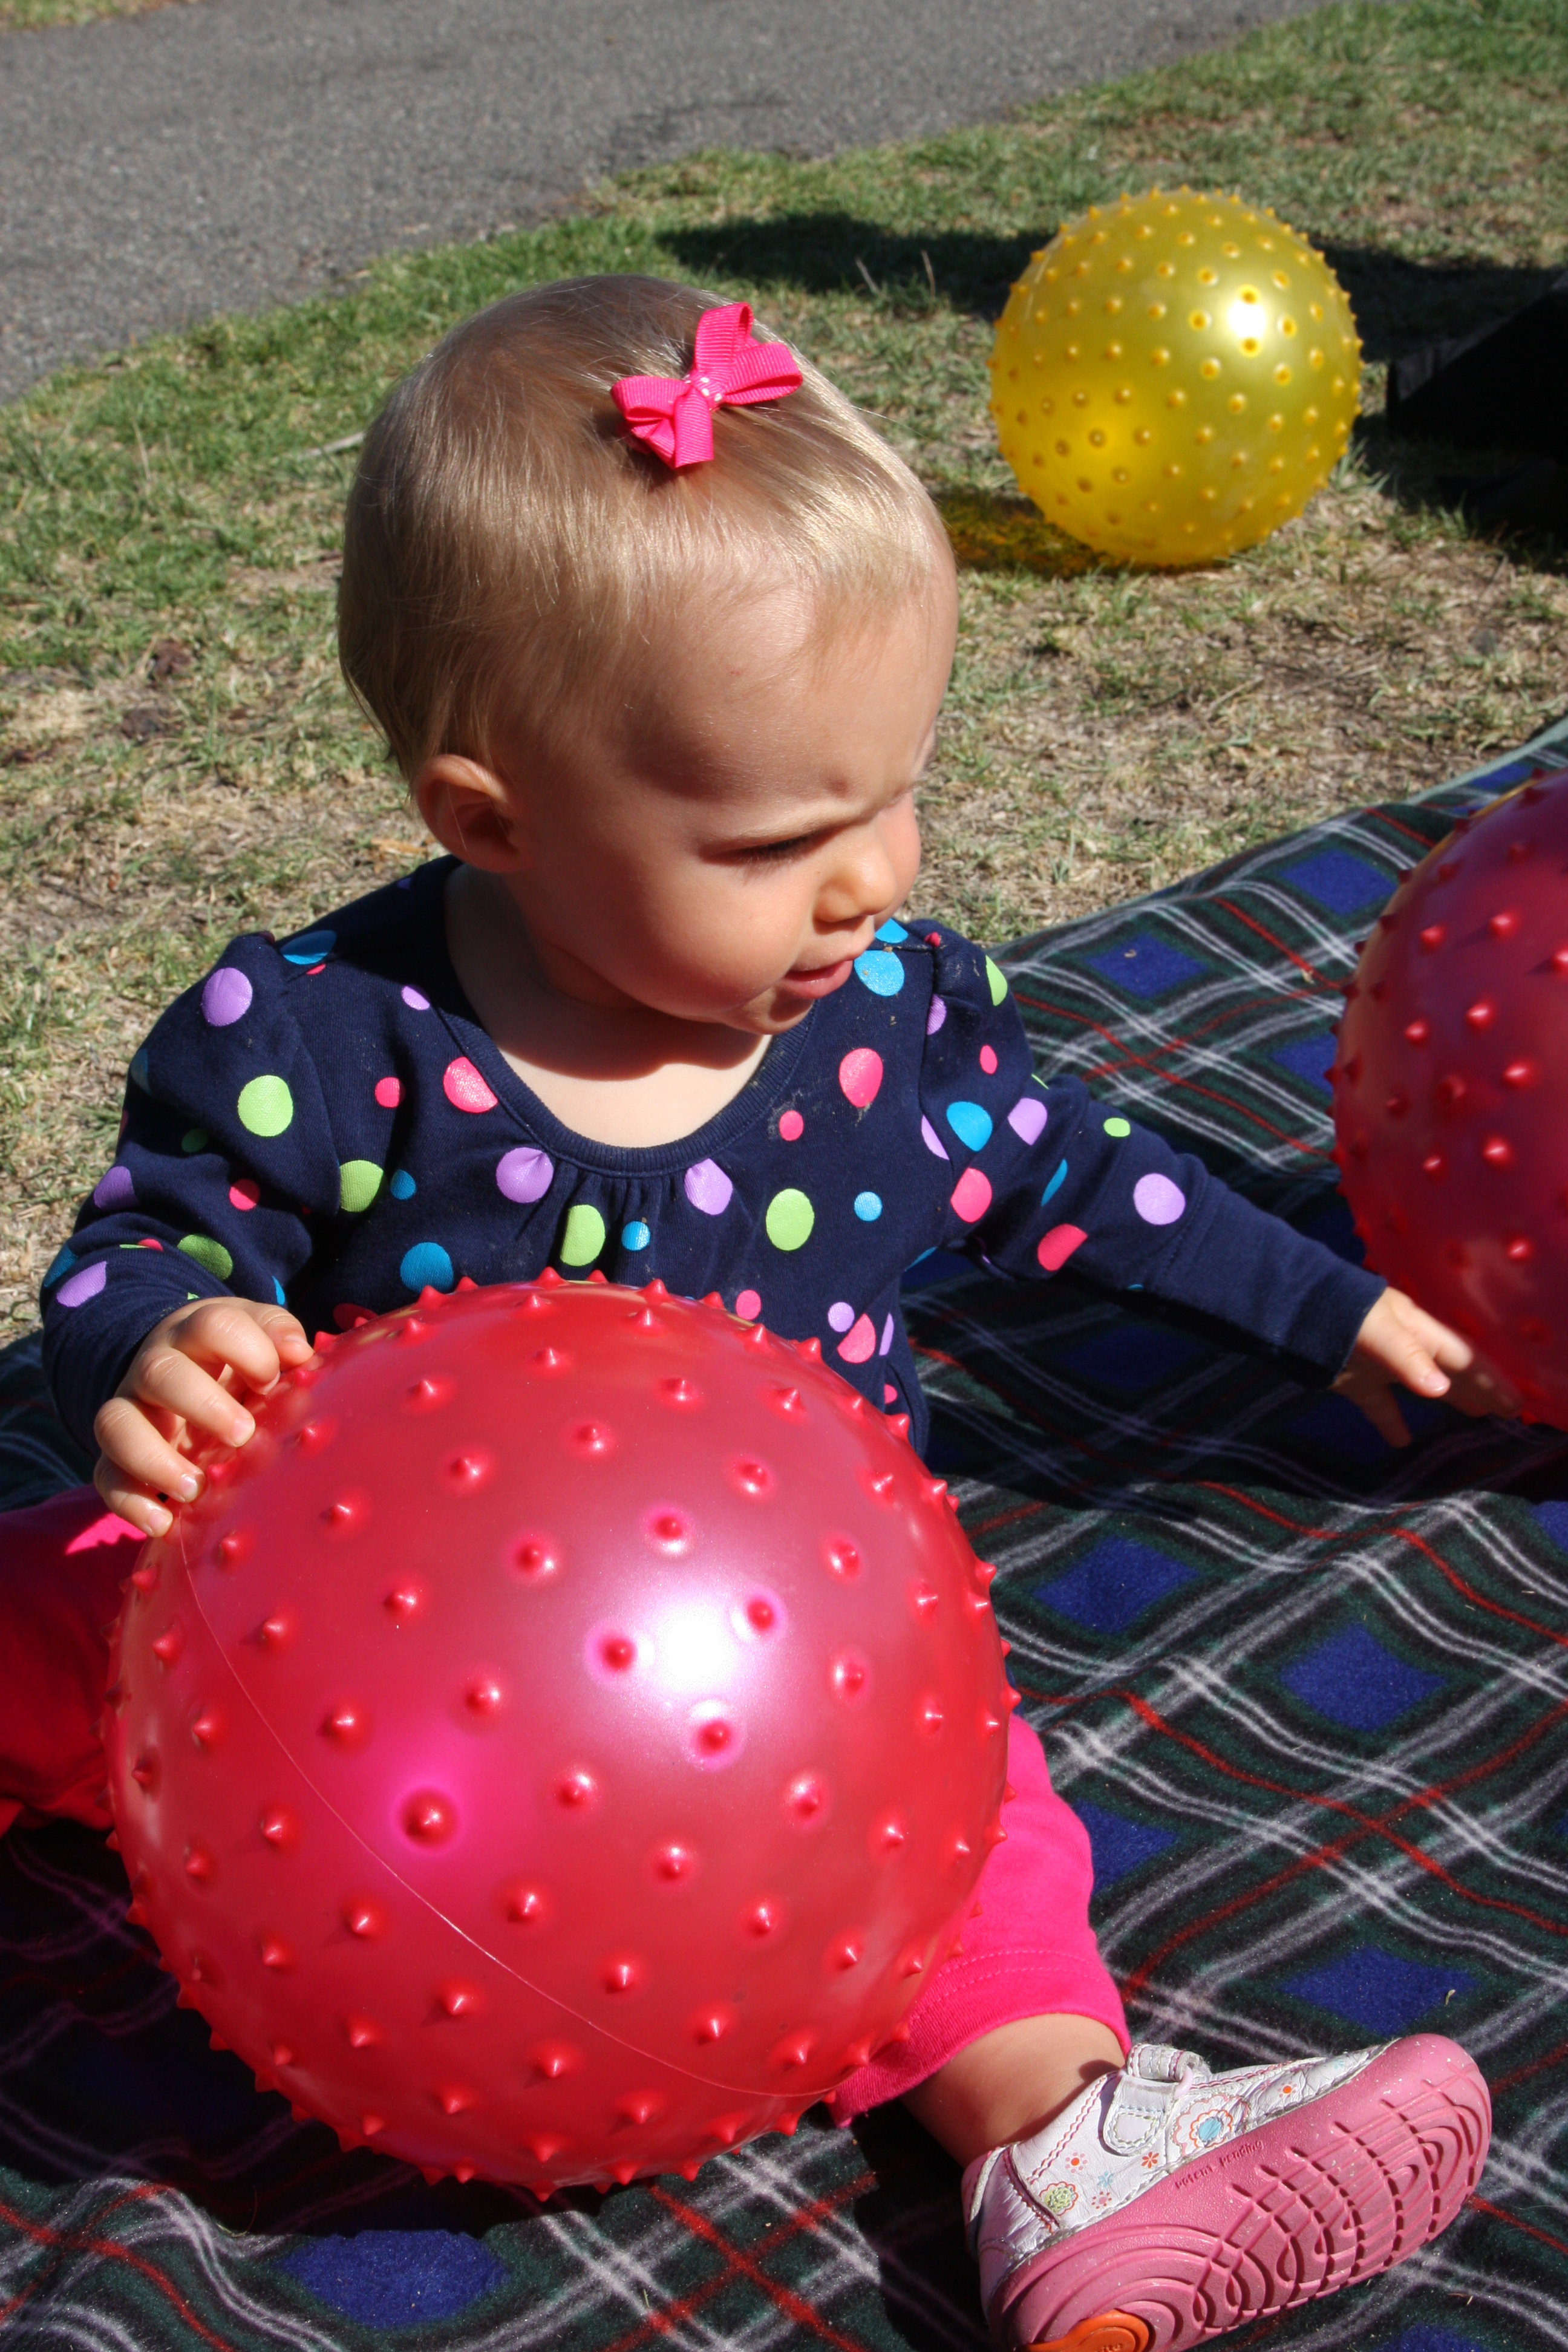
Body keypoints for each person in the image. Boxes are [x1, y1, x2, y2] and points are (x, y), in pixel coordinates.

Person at [24, 278, 1493, 2351]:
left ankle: (1065, 2150)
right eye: (783, 838)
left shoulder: (886, 1029)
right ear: (491, 820)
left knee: (973, 1829)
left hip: (799, 1675)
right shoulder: (337, 1044)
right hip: (342, 1662)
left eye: (895, 795)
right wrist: (162, 1341)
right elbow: (141, 1248)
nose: (871, 881)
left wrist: (1327, 1306)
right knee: (59, 1591)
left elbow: (1084, 1181)